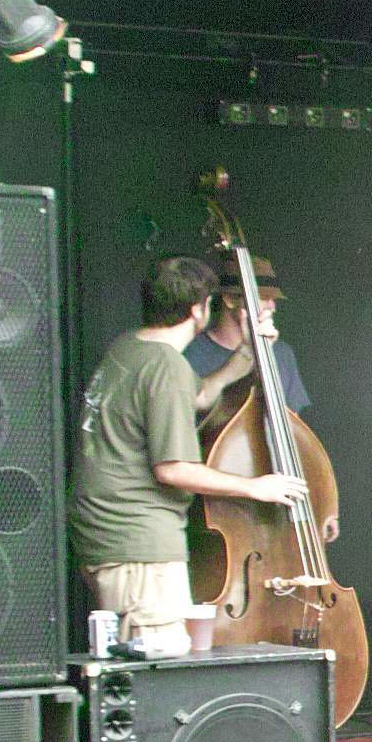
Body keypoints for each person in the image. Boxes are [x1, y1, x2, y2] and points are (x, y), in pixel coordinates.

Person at [70, 255, 306, 653]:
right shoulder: (167, 367)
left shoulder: (131, 348)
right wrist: (256, 487)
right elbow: (174, 469)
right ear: (200, 309)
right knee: (158, 661)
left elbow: (199, 395)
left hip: (107, 536)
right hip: (140, 547)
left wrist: (246, 356)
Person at [184, 259, 309, 415]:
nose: (272, 307)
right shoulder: (190, 353)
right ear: (229, 299)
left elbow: (294, 420)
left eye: (274, 299)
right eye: (264, 297)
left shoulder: (282, 353)